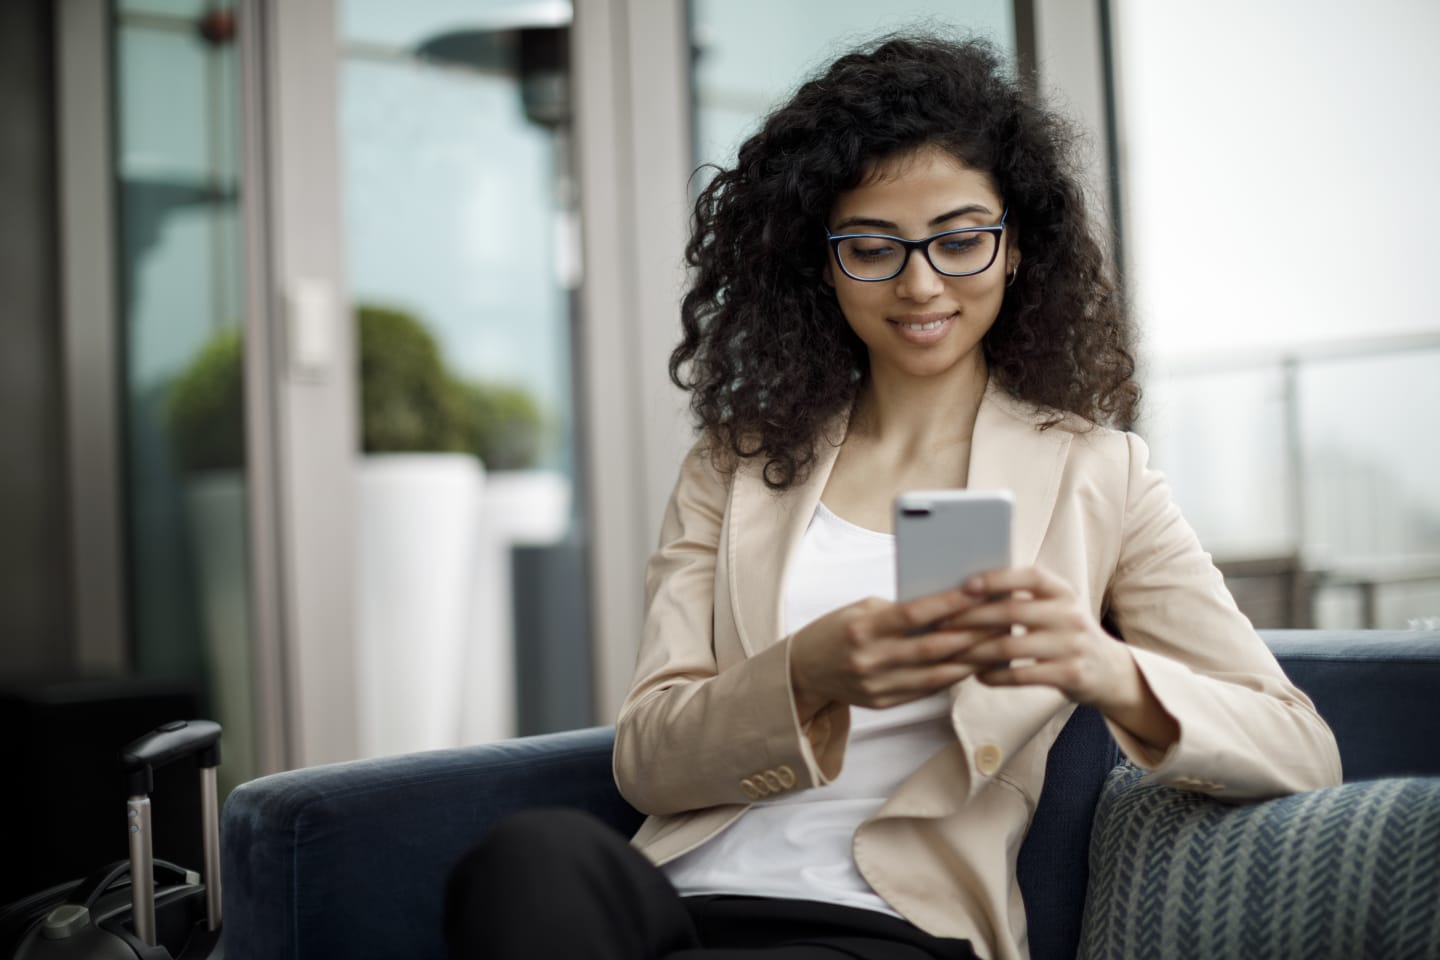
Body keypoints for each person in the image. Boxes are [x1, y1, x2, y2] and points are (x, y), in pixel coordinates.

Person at [444, 33, 1342, 960]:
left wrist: (1100, 667)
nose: (921, 284)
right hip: (678, 906)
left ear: (1017, 248)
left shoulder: (1098, 475)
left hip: (887, 922)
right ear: (823, 264)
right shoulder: (735, 464)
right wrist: (806, 675)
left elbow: (1299, 748)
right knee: (530, 859)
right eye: (874, 248)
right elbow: (648, 760)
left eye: (960, 241)